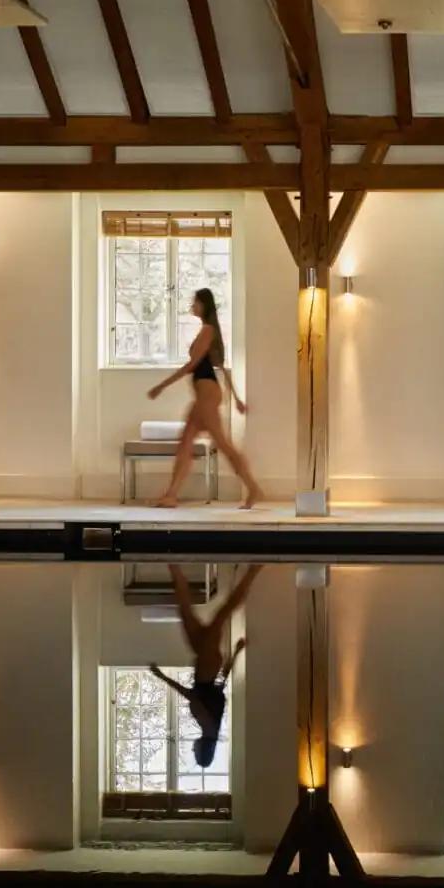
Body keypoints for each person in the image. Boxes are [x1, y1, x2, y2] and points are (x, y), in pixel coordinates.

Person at [147, 288, 263, 509]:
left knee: (221, 444)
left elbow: (192, 366)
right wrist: (236, 399)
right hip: (206, 395)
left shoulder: (208, 331)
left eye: (195, 302)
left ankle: (253, 488)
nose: (193, 305)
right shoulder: (209, 332)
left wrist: (162, 386)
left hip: (207, 395)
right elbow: (221, 368)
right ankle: (171, 495)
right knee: (186, 442)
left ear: (204, 305)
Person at [148, 563, 261, 773]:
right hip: (207, 664)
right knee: (222, 613)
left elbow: (221, 684)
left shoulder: (212, 727)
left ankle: (173, 566)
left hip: (206, 661)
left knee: (187, 611)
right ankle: (254, 570)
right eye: (195, 753)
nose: (192, 750)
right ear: (203, 750)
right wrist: (161, 676)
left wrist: (236, 654)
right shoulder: (209, 728)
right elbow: (191, 695)